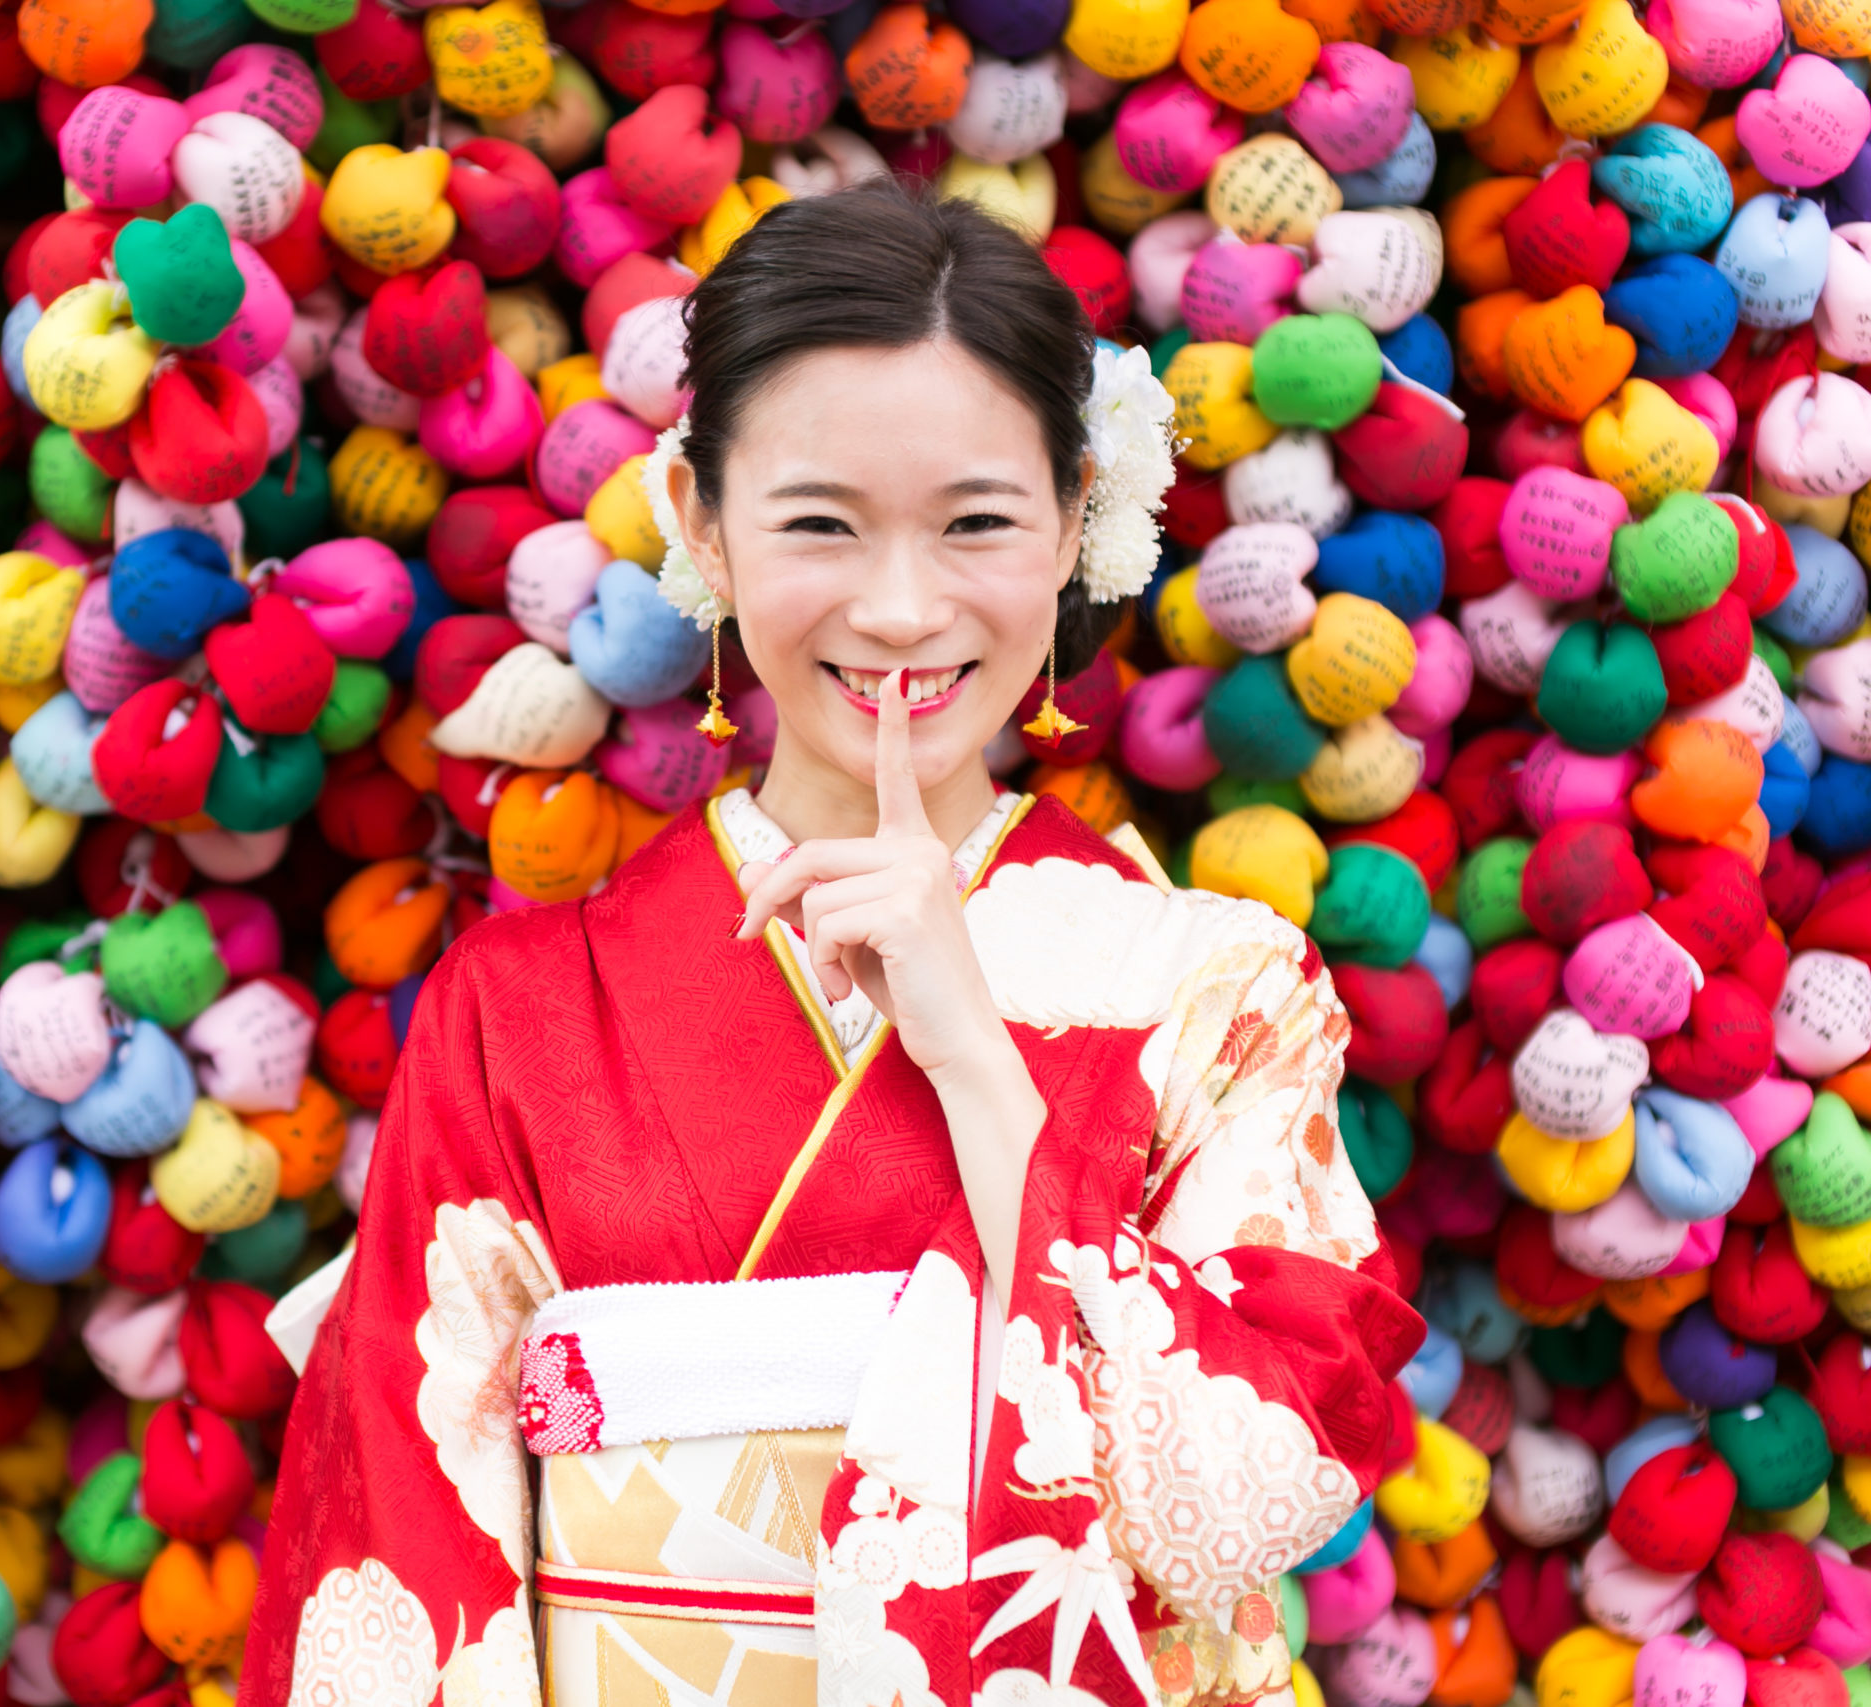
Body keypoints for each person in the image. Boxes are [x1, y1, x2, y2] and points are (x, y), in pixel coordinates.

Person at [243, 185, 1421, 1707]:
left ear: (1075, 523)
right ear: (701, 525)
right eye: (820, 524)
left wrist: (984, 1074)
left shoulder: (1223, 996)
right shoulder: (513, 1012)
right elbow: (397, 1567)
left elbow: (1241, 1501)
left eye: (979, 523)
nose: (901, 606)